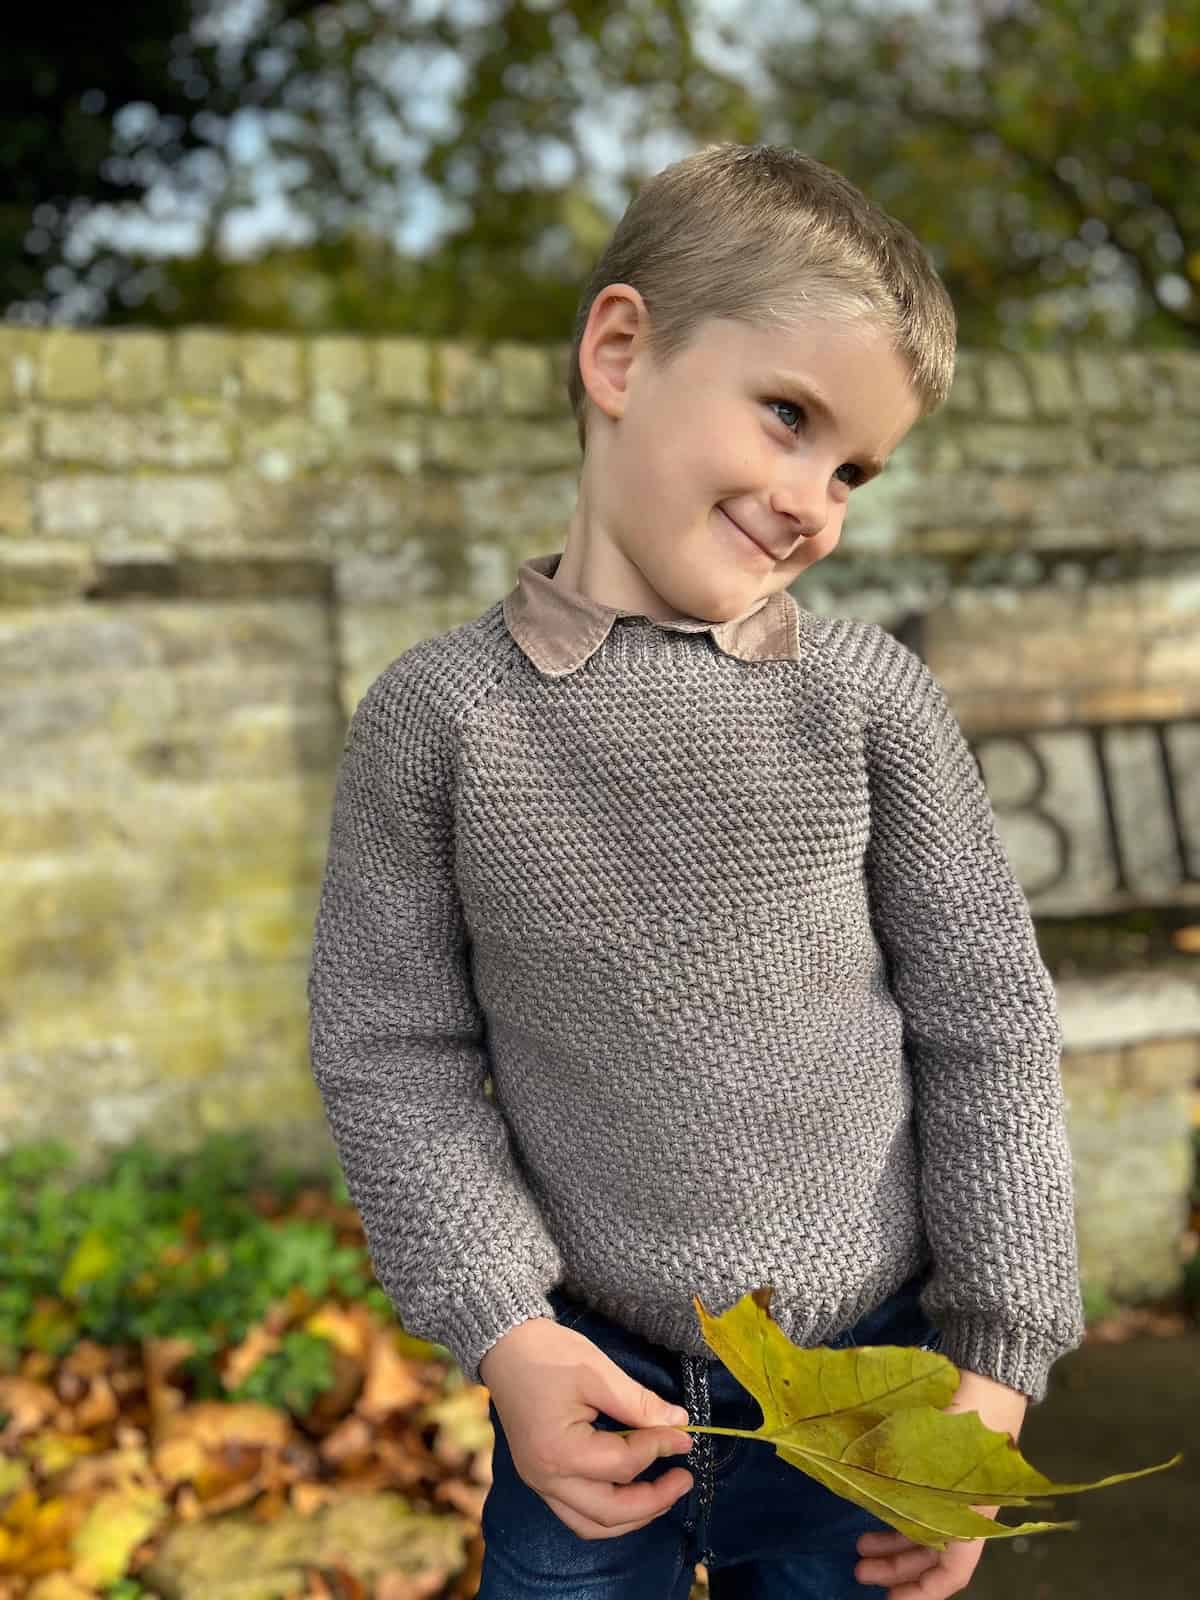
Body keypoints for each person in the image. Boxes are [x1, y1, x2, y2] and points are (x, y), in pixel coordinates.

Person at [305, 142, 1085, 1599]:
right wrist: (506, 1331)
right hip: (592, 1386)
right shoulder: (440, 721)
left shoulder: (867, 700)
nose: (815, 500)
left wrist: (997, 1360)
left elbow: (990, 1022)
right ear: (620, 351)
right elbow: (390, 1049)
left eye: (853, 467)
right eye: (787, 417)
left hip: (870, 1383)